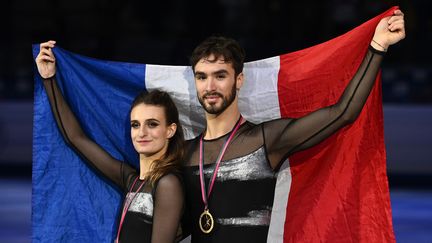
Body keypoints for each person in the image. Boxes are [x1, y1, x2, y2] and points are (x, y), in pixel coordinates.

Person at [181, 10, 406, 242]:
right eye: (201, 77)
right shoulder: (184, 152)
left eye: (220, 76)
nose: (210, 86)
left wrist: (378, 46)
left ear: (239, 80)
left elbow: (343, 113)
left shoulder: (267, 139)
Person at [35, 41, 185, 243]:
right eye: (135, 124)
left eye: (152, 124)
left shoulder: (167, 183)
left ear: (170, 130)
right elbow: (75, 138)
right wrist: (49, 78)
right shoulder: (132, 180)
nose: (141, 133)